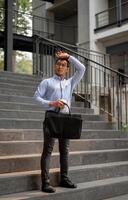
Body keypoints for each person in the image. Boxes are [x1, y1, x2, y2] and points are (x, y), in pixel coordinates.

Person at [34, 51, 85, 193]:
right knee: (48, 150)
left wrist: (68, 57)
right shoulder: (47, 82)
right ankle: (45, 182)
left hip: (66, 120)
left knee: (65, 151)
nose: (60, 67)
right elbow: (37, 97)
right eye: (58, 64)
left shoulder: (71, 82)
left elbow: (82, 69)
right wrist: (52, 103)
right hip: (51, 117)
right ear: (54, 66)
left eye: (63, 65)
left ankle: (64, 178)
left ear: (67, 69)